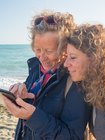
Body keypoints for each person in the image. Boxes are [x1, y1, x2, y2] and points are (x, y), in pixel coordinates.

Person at [2, 10, 91, 140]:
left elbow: (72, 137)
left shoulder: (76, 82)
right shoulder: (36, 70)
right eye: (37, 50)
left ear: (66, 48)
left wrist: (32, 117)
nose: (42, 57)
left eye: (49, 51)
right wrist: (22, 95)